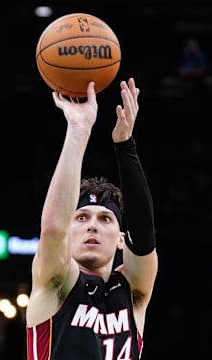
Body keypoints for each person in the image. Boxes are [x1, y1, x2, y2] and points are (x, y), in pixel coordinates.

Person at [26, 78, 158, 360]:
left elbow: (144, 238)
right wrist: (78, 129)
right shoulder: (56, 284)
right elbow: (52, 229)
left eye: (106, 219)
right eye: (82, 217)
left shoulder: (133, 291)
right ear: (69, 233)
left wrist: (126, 145)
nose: (92, 225)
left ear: (121, 239)